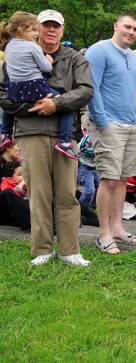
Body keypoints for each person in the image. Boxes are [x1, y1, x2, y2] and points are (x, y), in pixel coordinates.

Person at [0, 9, 93, 266]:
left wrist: (57, 103)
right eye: (45, 26)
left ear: (62, 31)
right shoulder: (15, 55)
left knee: (66, 194)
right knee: (38, 194)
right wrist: (31, 106)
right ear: (36, 29)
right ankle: (42, 250)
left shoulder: (75, 58)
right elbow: (2, 94)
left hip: (65, 135)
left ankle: (70, 250)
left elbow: (85, 91)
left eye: (56, 26)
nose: (51, 30)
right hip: (30, 133)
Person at [86, 13, 136, 255]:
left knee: (122, 179)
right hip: (108, 124)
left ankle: (118, 228)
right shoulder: (99, 51)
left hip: (132, 125)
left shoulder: (134, 57)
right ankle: (104, 235)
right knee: (109, 179)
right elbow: (92, 88)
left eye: (135, 29)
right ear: (116, 26)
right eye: (127, 27)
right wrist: (102, 122)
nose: (131, 32)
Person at [0, 11, 78, 159]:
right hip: (35, 88)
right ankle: (65, 141)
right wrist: (48, 61)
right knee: (65, 103)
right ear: (21, 30)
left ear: (62, 30)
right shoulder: (32, 47)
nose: (36, 33)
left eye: (56, 26)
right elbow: (47, 68)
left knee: (9, 102)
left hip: (15, 89)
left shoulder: (8, 47)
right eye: (36, 29)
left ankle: (5, 133)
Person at [0, 161, 30, 230]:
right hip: (10, 219)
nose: (25, 177)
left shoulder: (28, 186)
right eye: (20, 174)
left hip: (26, 216)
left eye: (26, 173)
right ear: (10, 178)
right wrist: (21, 184)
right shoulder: (6, 185)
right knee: (7, 192)